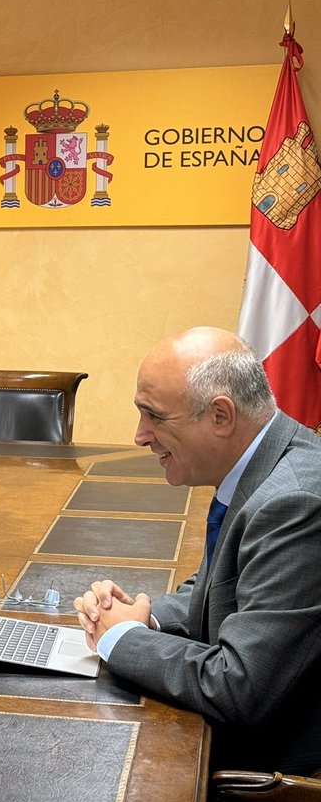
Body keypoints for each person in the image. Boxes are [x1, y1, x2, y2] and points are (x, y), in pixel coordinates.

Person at [74, 326, 321, 773]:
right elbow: (224, 584)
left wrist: (123, 639)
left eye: (154, 416)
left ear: (220, 416)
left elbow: (238, 687)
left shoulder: (295, 501)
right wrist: (144, 615)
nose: (140, 435)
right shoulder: (261, 465)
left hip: (267, 777)